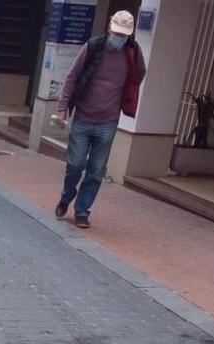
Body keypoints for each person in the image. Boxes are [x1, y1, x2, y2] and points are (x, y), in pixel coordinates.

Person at [54, 10, 146, 228]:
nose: (118, 38)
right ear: (109, 29)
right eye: (116, 33)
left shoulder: (133, 53)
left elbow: (138, 75)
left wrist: (124, 96)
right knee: (75, 164)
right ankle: (67, 196)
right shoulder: (93, 47)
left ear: (129, 36)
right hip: (83, 117)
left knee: (96, 170)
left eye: (123, 35)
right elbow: (72, 77)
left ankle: (82, 211)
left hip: (108, 121)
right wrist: (62, 108)